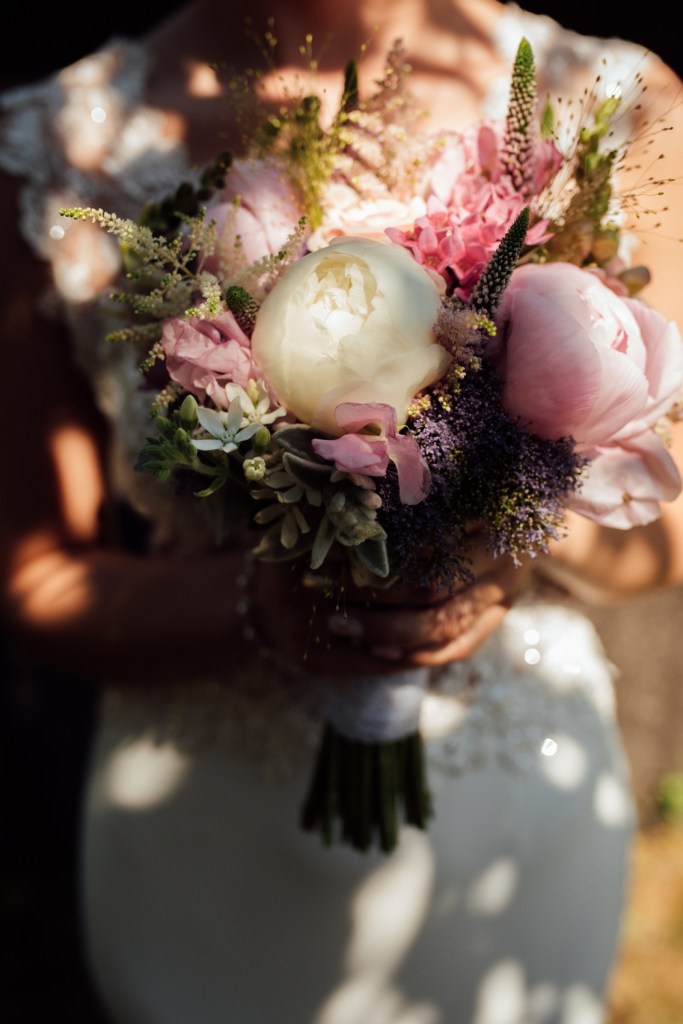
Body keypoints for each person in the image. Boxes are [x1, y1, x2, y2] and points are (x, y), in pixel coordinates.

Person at [1, 2, 683, 1022]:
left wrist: (504, 533)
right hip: (208, 833)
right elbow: (35, 579)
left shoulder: (618, 104)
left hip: (514, 808)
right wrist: (256, 604)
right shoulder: (55, 148)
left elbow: (668, 525)